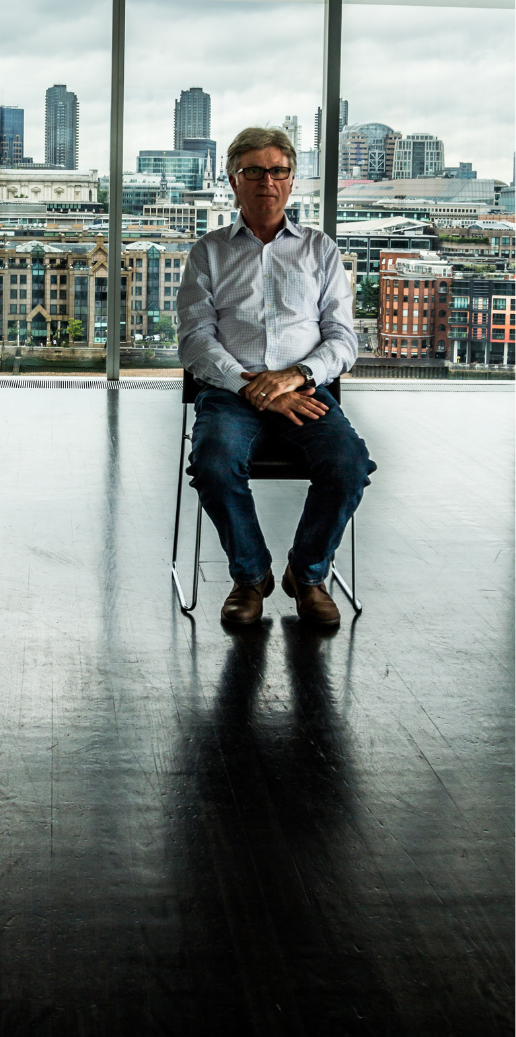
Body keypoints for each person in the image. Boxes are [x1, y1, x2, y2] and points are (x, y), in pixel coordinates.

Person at [177, 127, 376, 627]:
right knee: (214, 462)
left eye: (278, 171)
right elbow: (195, 340)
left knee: (349, 463)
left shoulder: (319, 250)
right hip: (230, 393)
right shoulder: (208, 251)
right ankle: (251, 578)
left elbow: (343, 339)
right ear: (232, 180)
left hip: (304, 392)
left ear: (291, 180)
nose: (267, 180)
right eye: (253, 171)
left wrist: (293, 377)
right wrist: (250, 387)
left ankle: (306, 575)